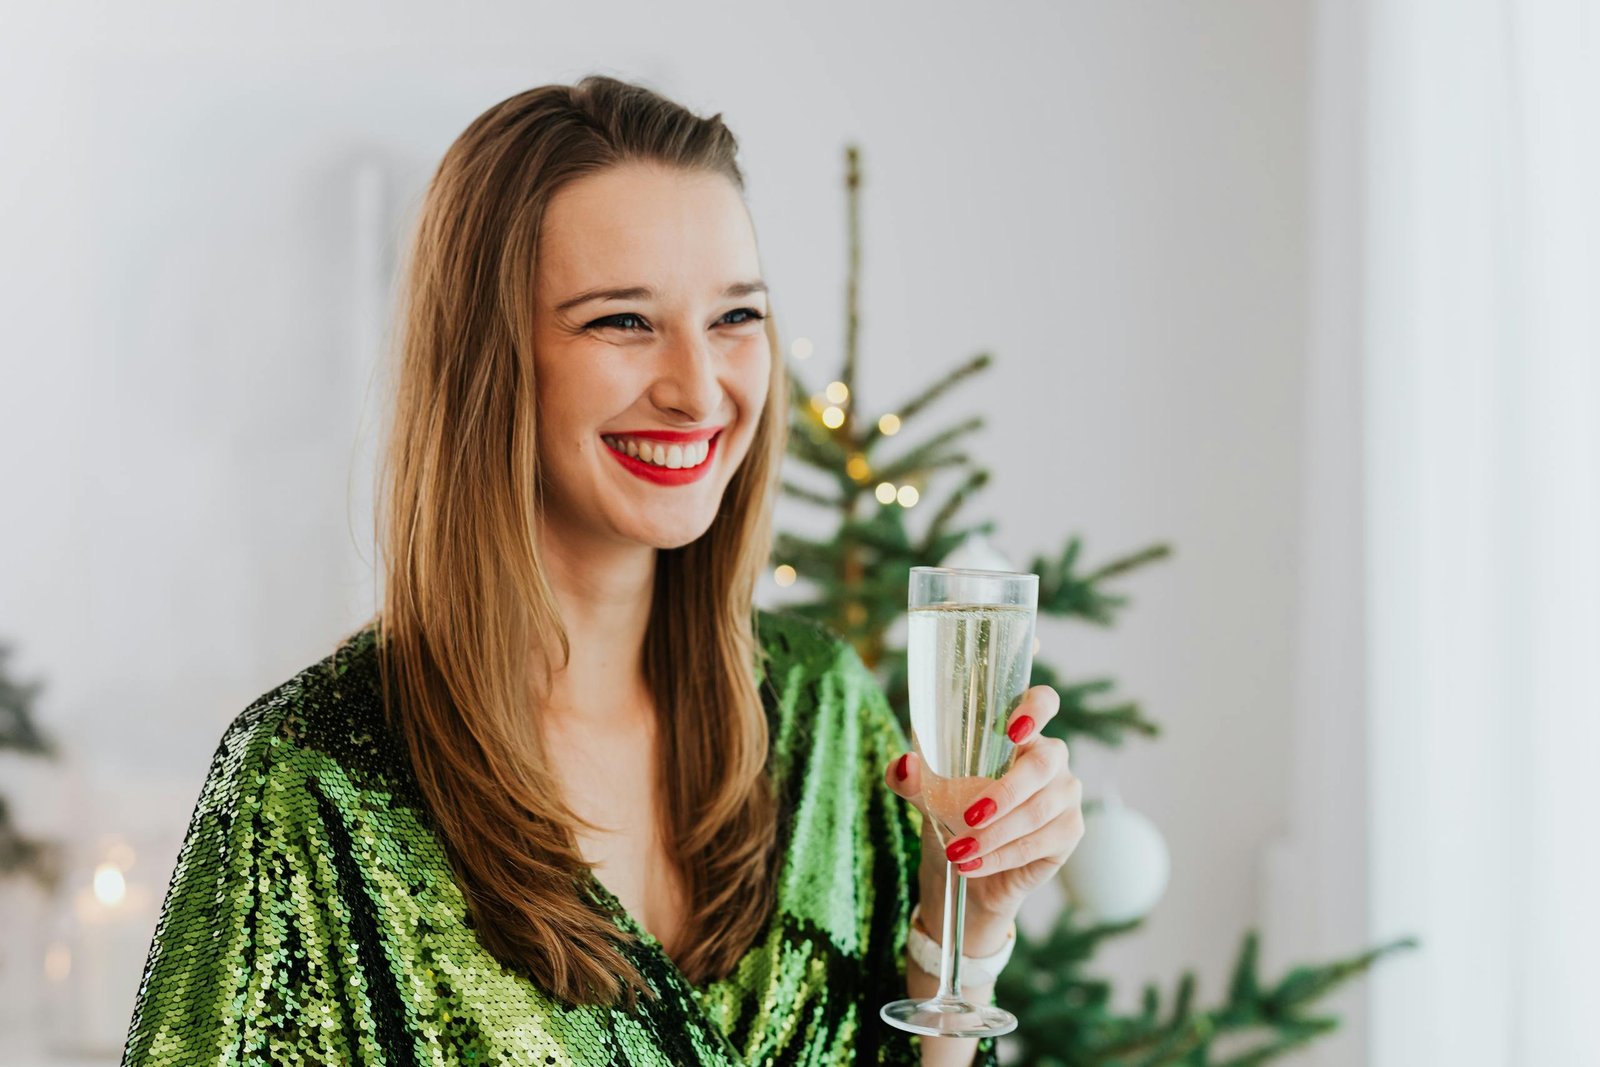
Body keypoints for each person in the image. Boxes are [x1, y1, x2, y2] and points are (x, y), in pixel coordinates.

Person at [120, 74, 1082, 1067]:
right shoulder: (312, 780)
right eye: (622, 320)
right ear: (489, 360)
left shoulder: (824, 713)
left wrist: (960, 933)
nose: (699, 388)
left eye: (736, 316)